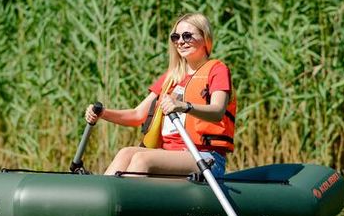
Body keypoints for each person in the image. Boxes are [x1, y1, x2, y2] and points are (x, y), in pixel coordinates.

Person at [85, 13, 236, 179]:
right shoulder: (172, 77)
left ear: (205, 38)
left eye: (187, 36)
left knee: (142, 158)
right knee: (125, 153)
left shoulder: (217, 70)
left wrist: (184, 106)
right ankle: (106, 198)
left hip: (206, 156)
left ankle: (127, 203)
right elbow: (137, 115)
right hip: (169, 153)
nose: (180, 41)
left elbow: (217, 111)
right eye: (175, 37)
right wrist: (103, 113)